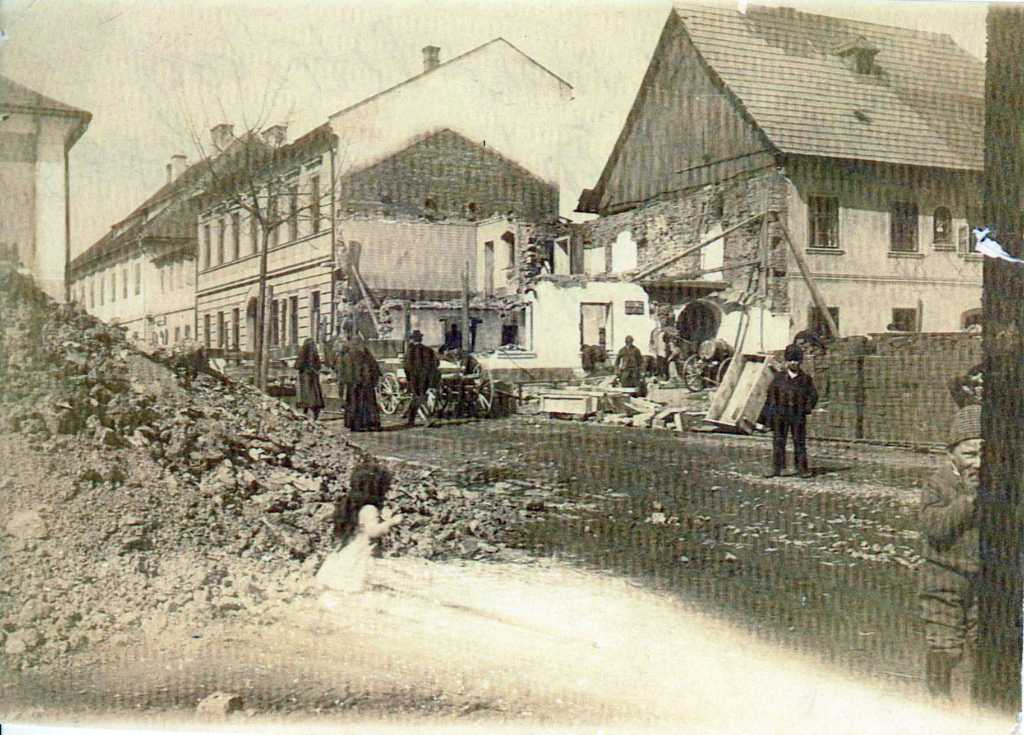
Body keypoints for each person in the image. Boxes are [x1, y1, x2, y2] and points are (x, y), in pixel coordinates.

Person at [919, 404, 981, 700]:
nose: (979, 462)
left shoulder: (996, 482)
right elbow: (935, 527)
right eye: (970, 454)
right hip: (943, 578)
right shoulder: (939, 483)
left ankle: (988, 707)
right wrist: (967, 499)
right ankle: (939, 696)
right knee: (946, 645)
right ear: (951, 454)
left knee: (987, 643)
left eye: (986, 453)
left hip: (983, 579)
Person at [315, 462, 403, 595]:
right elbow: (372, 531)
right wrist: (392, 522)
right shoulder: (370, 509)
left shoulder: (350, 504)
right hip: (358, 554)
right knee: (351, 586)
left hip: (347, 549)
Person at [764, 344, 818, 478]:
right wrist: (767, 418)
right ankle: (778, 468)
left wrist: (806, 408)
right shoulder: (778, 378)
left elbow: (813, 395)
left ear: (800, 361)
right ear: (786, 361)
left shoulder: (805, 379)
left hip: (797, 415)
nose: (794, 363)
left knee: (799, 441)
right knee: (778, 441)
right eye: (791, 360)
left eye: (796, 360)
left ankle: (801, 469)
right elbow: (771, 397)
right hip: (780, 415)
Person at [343, 336, 382, 432]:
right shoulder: (361, 354)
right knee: (361, 405)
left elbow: (373, 368)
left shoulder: (354, 355)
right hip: (359, 385)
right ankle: (362, 424)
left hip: (361, 384)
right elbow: (374, 368)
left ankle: (363, 424)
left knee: (361, 405)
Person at [403, 330, 439, 427]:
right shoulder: (429, 350)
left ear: (412, 339)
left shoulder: (410, 350)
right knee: (417, 397)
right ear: (421, 339)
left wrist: (408, 378)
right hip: (426, 378)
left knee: (418, 397)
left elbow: (406, 365)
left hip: (415, 378)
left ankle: (426, 419)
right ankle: (410, 419)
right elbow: (436, 364)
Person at [295, 338, 325, 421]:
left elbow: (297, 365)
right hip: (313, 377)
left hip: (305, 377)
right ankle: (314, 415)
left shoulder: (302, 353)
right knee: (315, 396)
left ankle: (305, 412)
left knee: (306, 395)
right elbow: (319, 365)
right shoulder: (314, 353)